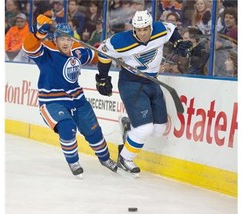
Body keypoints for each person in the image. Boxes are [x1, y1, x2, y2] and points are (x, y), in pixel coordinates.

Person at [95, 10, 196, 175]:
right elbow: (103, 53)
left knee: (159, 130)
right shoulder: (120, 41)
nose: (142, 33)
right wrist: (102, 78)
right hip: (131, 83)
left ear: (150, 27)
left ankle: (129, 127)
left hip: (152, 82)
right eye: (138, 30)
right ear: (134, 28)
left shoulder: (159, 30)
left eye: (145, 29)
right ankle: (125, 159)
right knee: (144, 129)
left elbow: (171, 29)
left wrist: (177, 42)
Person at [22, 14, 118, 177]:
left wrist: (111, 52)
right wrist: (38, 34)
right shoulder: (46, 53)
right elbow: (28, 47)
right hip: (52, 101)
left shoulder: (79, 52)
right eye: (62, 39)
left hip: (78, 100)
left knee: (93, 131)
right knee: (67, 127)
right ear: (55, 40)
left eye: (69, 39)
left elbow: (98, 56)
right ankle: (73, 162)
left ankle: (105, 158)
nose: (66, 42)